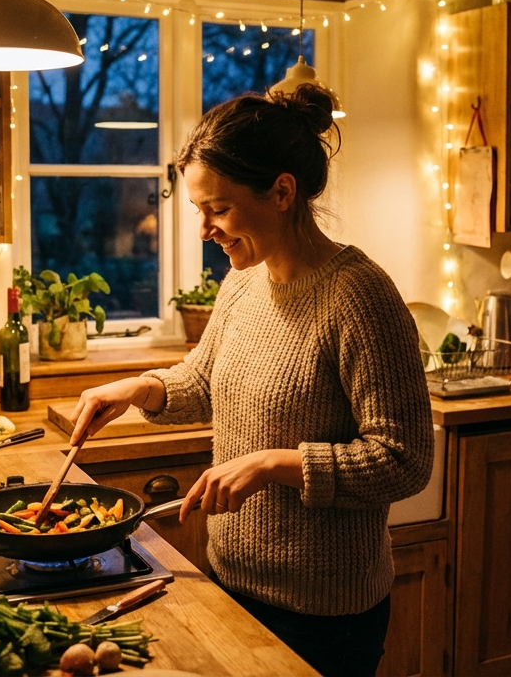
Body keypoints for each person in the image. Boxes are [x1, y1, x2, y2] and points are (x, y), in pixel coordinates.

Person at [67, 84, 433, 677]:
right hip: (232, 581)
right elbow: (206, 381)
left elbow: (406, 459)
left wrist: (275, 464)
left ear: (282, 192)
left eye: (218, 208)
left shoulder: (359, 295)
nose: (205, 227)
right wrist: (143, 387)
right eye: (198, 210)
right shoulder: (244, 281)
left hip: (325, 613)